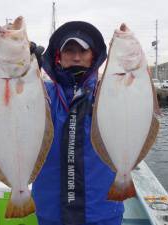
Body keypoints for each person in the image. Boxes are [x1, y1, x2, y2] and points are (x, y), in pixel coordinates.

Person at [31, 21, 124, 225]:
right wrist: (23, 68)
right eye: (69, 51)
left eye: (83, 51)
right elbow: (11, 108)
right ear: (59, 56)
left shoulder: (108, 94)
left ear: (93, 56)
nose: (76, 57)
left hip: (102, 212)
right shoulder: (42, 95)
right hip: (51, 213)